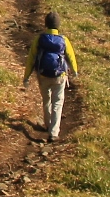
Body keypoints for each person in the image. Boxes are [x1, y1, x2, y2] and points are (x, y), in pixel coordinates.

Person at [22, 11, 79, 141]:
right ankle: (53, 132)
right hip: (59, 76)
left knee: (46, 100)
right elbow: (70, 57)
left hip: (42, 75)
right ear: (58, 25)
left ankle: (47, 124)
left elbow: (31, 59)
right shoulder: (64, 40)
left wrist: (26, 77)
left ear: (46, 24)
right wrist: (75, 71)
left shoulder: (39, 39)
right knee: (57, 103)